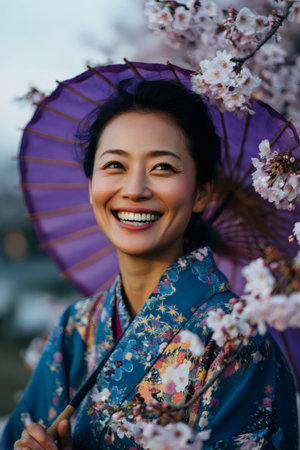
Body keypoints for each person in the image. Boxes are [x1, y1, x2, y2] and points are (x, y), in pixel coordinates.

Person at [2, 78, 298, 449]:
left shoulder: (236, 337)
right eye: (114, 165)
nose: (135, 189)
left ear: (202, 191)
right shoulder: (76, 328)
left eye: (162, 168)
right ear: (91, 182)